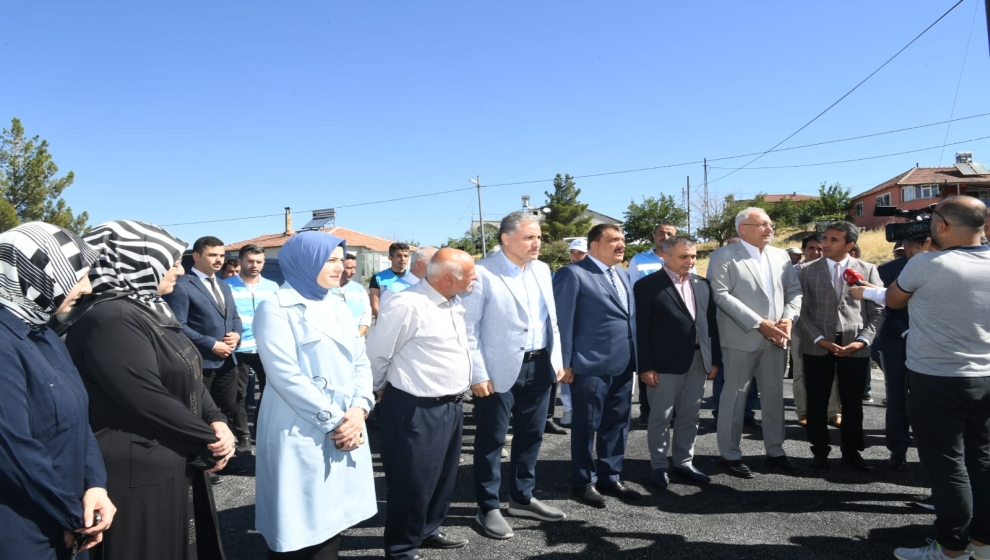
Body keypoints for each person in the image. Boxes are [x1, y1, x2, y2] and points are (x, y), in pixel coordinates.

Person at [62, 220, 234, 560]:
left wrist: (217, 419)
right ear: (137, 262)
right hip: (134, 469)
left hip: (166, 455)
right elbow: (145, 396)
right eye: (170, 261)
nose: (180, 269)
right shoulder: (110, 317)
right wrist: (207, 438)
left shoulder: (150, 309)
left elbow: (187, 371)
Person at [857, 197, 990, 560]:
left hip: (937, 377)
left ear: (943, 226)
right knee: (982, 460)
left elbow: (894, 300)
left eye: (932, 221)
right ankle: (981, 543)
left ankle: (951, 550)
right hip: (985, 375)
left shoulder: (927, 264)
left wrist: (924, 255)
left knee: (948, 465)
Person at [253, 231, 376, 559]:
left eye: (341, 259)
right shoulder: (275, 307)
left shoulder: (335, 301)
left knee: (331, 521)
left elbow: (359, 359)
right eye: (330, 260)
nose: (340, 267)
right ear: (305, 262)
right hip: (300, 425)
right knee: (297, 528)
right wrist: (338, 421)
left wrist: (360, 409)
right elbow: (285, 376)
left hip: (346, 422)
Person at [0, 222, 116, 560]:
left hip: (68, 516)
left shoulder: (44, 333)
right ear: (34, 276)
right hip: (24, 530)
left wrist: (95, 484)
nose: (86, 287)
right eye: (76, 275)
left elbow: (80, 420)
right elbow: (12, 451)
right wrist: (73, 516)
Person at [462, 211, 566, 540]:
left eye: (539, 237)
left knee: (531, 435)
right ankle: (488, 507)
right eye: (529, 237)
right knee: (492, 440)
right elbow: (468, 329)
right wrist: (477, 373)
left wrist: (557, 359)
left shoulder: (543, 270)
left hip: (539, 366)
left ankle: (522, 497)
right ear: (506, 239)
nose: (537, 243)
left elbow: (551, 320)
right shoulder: (482, 273)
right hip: (496, 371)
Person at [367, 248, 477, 559]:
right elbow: (377, 354)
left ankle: (428, 530)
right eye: (470, 274)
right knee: (411, 482)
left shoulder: (450, 302)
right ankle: (402, 547)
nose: (475, 279)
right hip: (416, 407)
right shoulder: (407, 304)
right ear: (448, 279)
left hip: (451, 406)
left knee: (443, 476)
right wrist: (378, 389)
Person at [707, 207, 802, 478]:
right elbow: (720, 295)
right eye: (762, 224)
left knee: (773, 397)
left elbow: (794, 291)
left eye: (770, 224)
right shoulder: (724, 255)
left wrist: (788, 319)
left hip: (777, 337)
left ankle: (775, 450)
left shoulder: (780, 255)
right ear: (743, 228)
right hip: (741, 338)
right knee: (734, 398)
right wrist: (760, 324)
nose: (769, 229)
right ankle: (730, 454)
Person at [554, 223, 641, 508]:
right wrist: (564, 364)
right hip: (588, 366)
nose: (621, 245)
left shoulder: (623, 274)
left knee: (617, 423)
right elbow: (562, 322)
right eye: (614, 240)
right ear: (594, 246)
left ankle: (610, 476)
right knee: (586, 425)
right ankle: (583, 481)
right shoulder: (573, 274)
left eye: (623, 240)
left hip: (623, 363)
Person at [634, 236, 721, 489]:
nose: (690, 261)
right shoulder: (647, 286)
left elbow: (709, 325)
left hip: (698, 359)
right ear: (665, 256)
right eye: (684, 256)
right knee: (660, 417)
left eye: (693, 256)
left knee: (690, 415)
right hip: (663, 364)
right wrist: (646, 366)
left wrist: (713, 359)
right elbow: (642, 329)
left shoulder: (702, 284)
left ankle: (684, 462)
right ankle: (659, 465)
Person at [795, 221, 883, 473]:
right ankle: (819, 451)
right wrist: (818, 339)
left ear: (850, 244)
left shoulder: (867, 269)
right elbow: (800, 311)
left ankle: (852, 452)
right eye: (826, 238)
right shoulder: (805, 271)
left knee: (853, 402)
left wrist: (863, 340)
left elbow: (877, 311)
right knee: (817, 401)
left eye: (834, 239)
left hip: (855, 346)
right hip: (817, 345)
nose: (825, 243)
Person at [163, 236, 243, 481]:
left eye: (221, 255)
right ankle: (203, 463)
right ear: (196, 256)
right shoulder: (182, 285)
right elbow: (178, 325)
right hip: (201, 361)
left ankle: (224, 458)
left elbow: (235, 318)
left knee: (226, 410)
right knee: (201, 415)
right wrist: (212, 344)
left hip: (228, 361)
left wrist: (236, 336)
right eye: (212, 255)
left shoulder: (224, 285)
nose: (219, 259)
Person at [851, 239, 919, 471]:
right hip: (896, 344)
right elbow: (882, 308)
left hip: (932, 345)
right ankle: (897, 450)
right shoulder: (888, 269)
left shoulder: (943, 266)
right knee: (897, 398)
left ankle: (930, 452)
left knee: (931, 401)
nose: (913, 248)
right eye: (911, 243)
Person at [226, 243, 280, 451]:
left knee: (270, 391)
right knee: (237, 395)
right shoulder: (226, 286)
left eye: (259, 261)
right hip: (238, 350)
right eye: (250, 261)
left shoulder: (273, 287)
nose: (254, 265)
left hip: (267, 349)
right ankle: (243, 437)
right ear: (240, 262)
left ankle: (262, 431)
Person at [627, 221, 677, 426]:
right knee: (647, 366)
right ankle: (647, 411)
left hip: (675, 324)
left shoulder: (681, 258)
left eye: (669, 233)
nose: (664, 236)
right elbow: (632, 291)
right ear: (653, 236)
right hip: (648, 323)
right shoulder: (638, 260)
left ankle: (673, 413)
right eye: (661, 233)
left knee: (674, 368)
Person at [791, 234, 841, 429]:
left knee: (833, 370)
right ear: (803, 250)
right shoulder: (793, 271)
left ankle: (833, 412)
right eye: (811, 248)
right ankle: (803, 411)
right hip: (799, 326)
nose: (816, 252)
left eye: (820, 249)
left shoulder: (833, 270)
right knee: (801, 371)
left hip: (827, 326)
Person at [556, 239, 589, 428]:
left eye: (580, 253)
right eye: (573, 253)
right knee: (567, 372)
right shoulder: (564, 273)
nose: (575, 257)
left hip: (586, 334)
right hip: (569, 332)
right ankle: (568, 408)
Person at [378, 246, 437, 311]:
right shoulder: (394, 291)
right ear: (418, 264)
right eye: (434, 263)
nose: (439, 267)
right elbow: (387, 320)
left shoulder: (433, 288)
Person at [333, 253, 372, 335]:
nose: (354, 272)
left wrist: (357, 336)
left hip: (356, 340)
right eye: (349, 268)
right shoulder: (325, 289)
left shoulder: (359, 289)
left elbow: (366, 315)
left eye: (354, 267)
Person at [369, 242, 410, 318]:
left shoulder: (412, 277)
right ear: (390, 257)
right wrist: (382, 320)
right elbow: (374, 304)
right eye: (399, 255)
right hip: (386, 321)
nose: (403, 259)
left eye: (406, 256)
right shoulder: (378, 278)